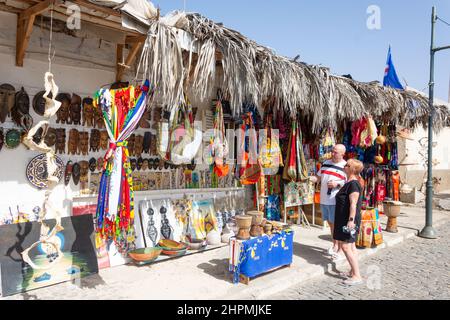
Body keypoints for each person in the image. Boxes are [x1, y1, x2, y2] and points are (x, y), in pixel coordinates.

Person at [310, 144, 347, 260]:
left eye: (335, 152)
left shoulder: (346, 166)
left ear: (342, 154)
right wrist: (309, 178)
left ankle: (340, 250)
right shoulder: (326, 163)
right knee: (331, 224)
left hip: (336, 200)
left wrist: (338, 183)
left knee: (338, 225)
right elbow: (318, 177)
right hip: (325, 199)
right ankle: (335, 245)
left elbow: (352, 182)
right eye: (332, 151)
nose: (333, 154)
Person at [333, 158, 364, 285]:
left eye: (347, 164)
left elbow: (353, 204)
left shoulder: (354, 184)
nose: (344, 166)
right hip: (344, 219)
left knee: (345, 246)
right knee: (351, 246)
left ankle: (357, 275)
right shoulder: (349, 182)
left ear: (352, 169)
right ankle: (353, 271)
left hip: (349, 220)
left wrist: (351, 220)